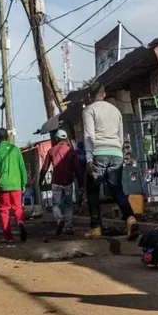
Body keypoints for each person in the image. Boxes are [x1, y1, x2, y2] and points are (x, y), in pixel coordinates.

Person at [83, 82, 138, 240]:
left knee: (93, 189)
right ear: (104, 94)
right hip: (116, 153)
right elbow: (121, 136)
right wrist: (118, 152)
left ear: (89, 96)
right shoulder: (115, 111)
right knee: (116, 189)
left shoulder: (89, 110)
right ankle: (130, 218)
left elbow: (89, 136)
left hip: (98, 152)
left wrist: (89, 158)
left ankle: (96, 227)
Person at [41, 129, 82, 236]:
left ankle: (59, 220)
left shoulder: (51, 151)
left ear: (57, 139)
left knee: (55, 205)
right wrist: (81, 183)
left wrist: (40, 180)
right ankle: (68, 227)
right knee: (68, 205)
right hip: (68, 181)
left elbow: (45, 168)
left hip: (56, 182)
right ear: (65, 138)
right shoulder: (70, 151)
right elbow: (77, 168)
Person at [0, 128, 28, 242]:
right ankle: (20, 221)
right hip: (16, 184)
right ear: (7, 136)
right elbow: (22, 168)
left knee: (4, 210)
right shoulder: (16, 150)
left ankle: (8, 237)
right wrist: (23, 183)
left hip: (3, 186)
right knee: (17, 207)